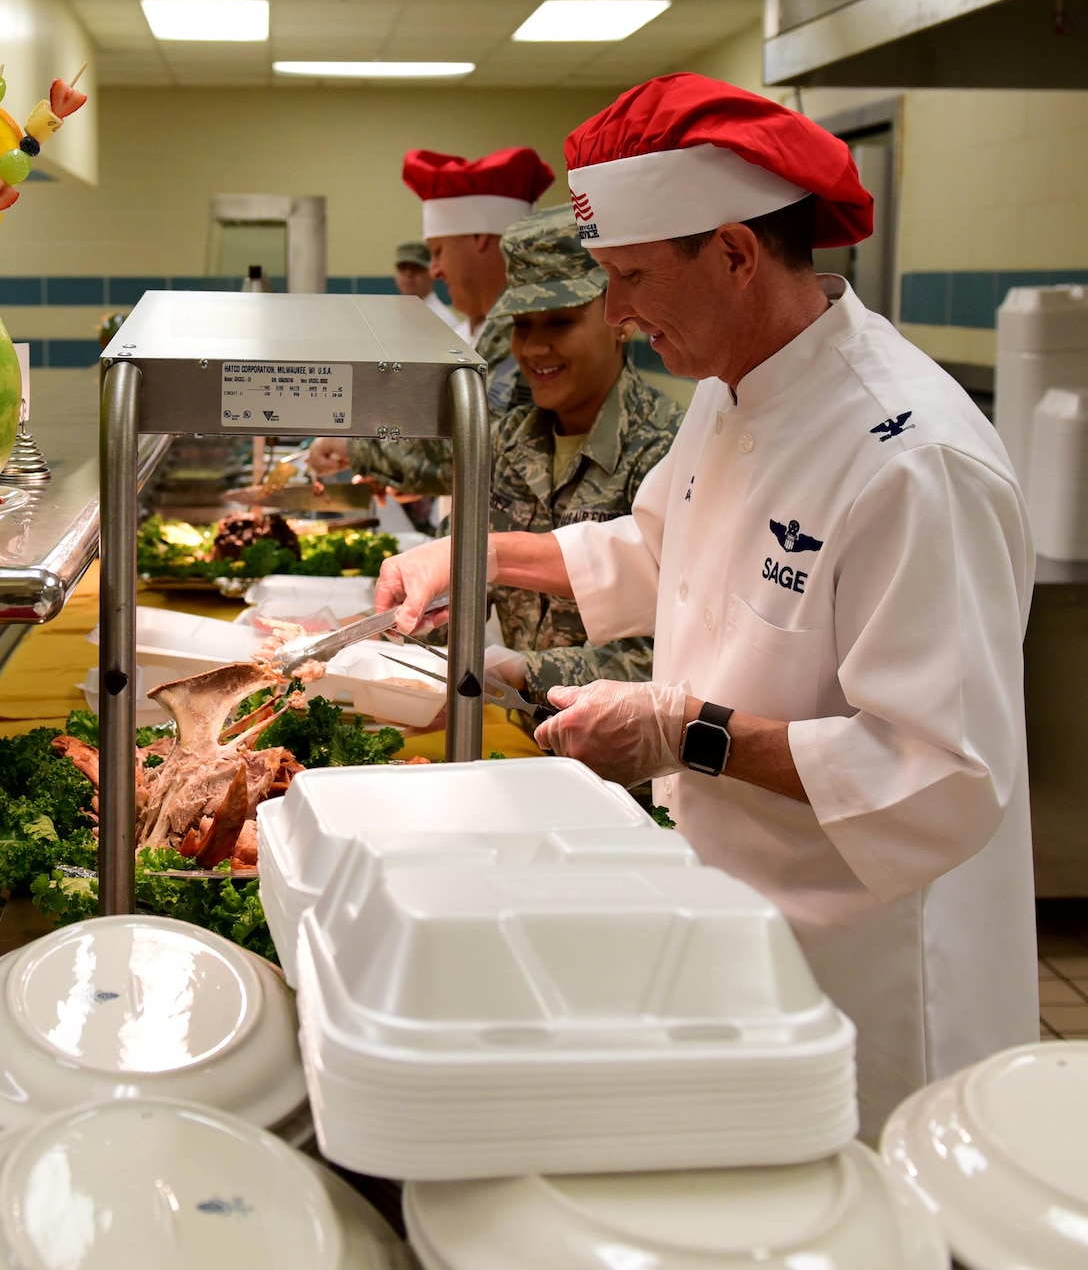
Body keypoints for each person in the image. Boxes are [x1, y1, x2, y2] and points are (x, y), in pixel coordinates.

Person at [374, 74, 1036, 1134]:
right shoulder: (733, 391)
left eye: (628, 279)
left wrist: (683, 733)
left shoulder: (911, 460)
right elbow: (656, 551)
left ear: (732, 252)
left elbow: (939, 774)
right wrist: (471, 556)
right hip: (736, 920)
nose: (618, 318)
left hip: (866, 974)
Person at [476, 204, 682, 705]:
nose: (534, 349)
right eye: (523, 327)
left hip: (627, 773)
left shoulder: (668, 449)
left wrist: (531, 671)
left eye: (560, 322)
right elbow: (460, 581)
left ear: (619, 320)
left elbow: (681, 648)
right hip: (523, 747)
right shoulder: (507, 442)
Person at [313, 146, 555, 495]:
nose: (435, 270)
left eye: (439, 251)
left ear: (479, 238)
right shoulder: (482, 329)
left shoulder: (519, 332)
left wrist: (358, 449)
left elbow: (478, 450)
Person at [392, 241, 452, 327]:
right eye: (403, 267)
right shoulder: (390, 315)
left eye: (417, 268)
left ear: (431, 272)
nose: (408, 274)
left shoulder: (442, 320)